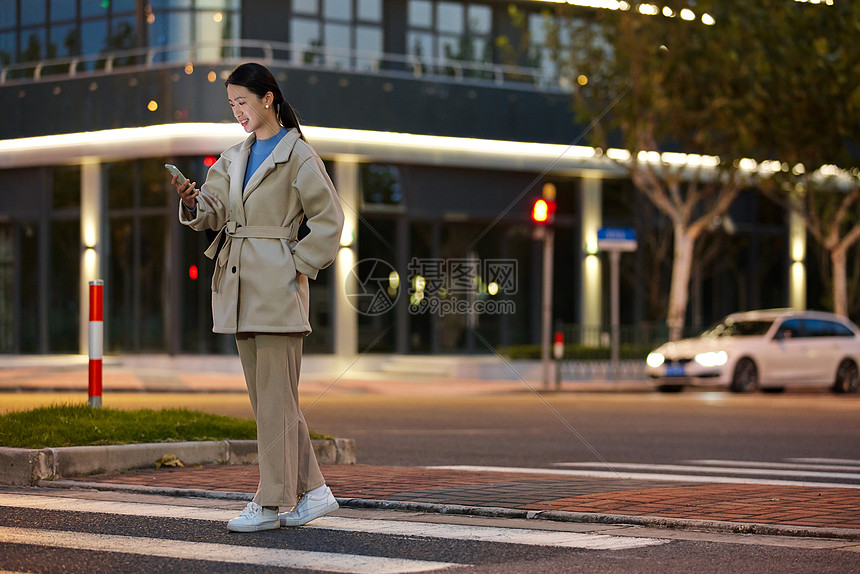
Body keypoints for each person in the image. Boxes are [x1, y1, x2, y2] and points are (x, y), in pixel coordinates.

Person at [171, 62, 344, 532]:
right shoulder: (233, 156)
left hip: (277, 289)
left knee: (275, 401)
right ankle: (316, 492)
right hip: (240, 286)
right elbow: (212, 210)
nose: (237, 113)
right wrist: (191, 199)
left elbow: (329, 221)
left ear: (268, 98)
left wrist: (296, 266)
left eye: (242, 102)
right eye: (231, 106)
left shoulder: (299, 155)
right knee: (274, 400)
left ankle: (269, 505)